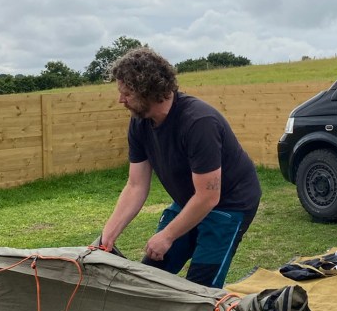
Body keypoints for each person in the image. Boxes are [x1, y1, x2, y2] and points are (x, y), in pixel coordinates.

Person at [99, 47, 262, 288]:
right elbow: (135, 186)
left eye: (127, 93)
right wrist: (106, 238)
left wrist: (167, 235)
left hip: (230, 204)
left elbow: (208, 197)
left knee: (199, 292)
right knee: (149, 279)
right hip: (189, 201)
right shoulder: (139, 124)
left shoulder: (198, 122)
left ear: (148, 90)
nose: (121, 100)